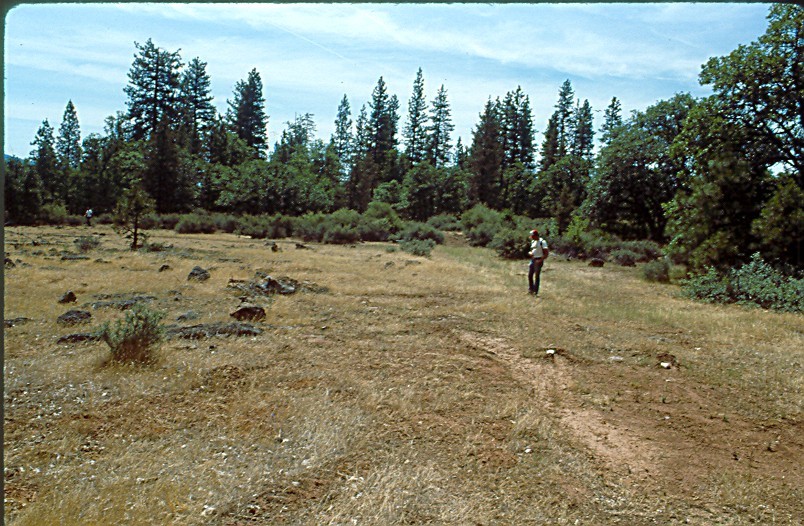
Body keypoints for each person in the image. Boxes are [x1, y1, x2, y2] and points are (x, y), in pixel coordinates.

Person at [528, 229, 549, 295]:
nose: (531, 237)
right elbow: (533, 250)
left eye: (532, 236)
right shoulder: (533, 241)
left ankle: (535, 291)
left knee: (537, 276)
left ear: (535, 235)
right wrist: (531, 253)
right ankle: (531, 289)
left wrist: (540, 260)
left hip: (538, 260)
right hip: (533, 259)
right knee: (530, 275)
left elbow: (546, 253)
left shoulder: (542, 242)